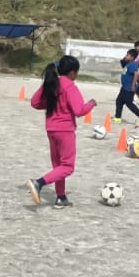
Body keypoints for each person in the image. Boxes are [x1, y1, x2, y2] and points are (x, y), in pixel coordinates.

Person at [27, 55, 97, 209]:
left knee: (58, 165)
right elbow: (79, 111)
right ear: (72, 72)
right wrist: (91, 104)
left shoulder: (52, 83)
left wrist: (48, 96)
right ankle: (38, 183)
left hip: (51, 129)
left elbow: (35, 102)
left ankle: (61, 197)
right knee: (67, 167)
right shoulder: (70, 87)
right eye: (77, 73)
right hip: (65, 130)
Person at [114, 49, 139, 123]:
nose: (126, 56)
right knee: (119, 101)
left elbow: (136, 75)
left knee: (129, 103)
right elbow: (122, 62)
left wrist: (133, 86)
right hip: (124, 87)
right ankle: (117, 118)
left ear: (132, 57)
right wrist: (125, 58)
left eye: (127, 55)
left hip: (129, 88)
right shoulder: (128, 63)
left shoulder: (133, 64)